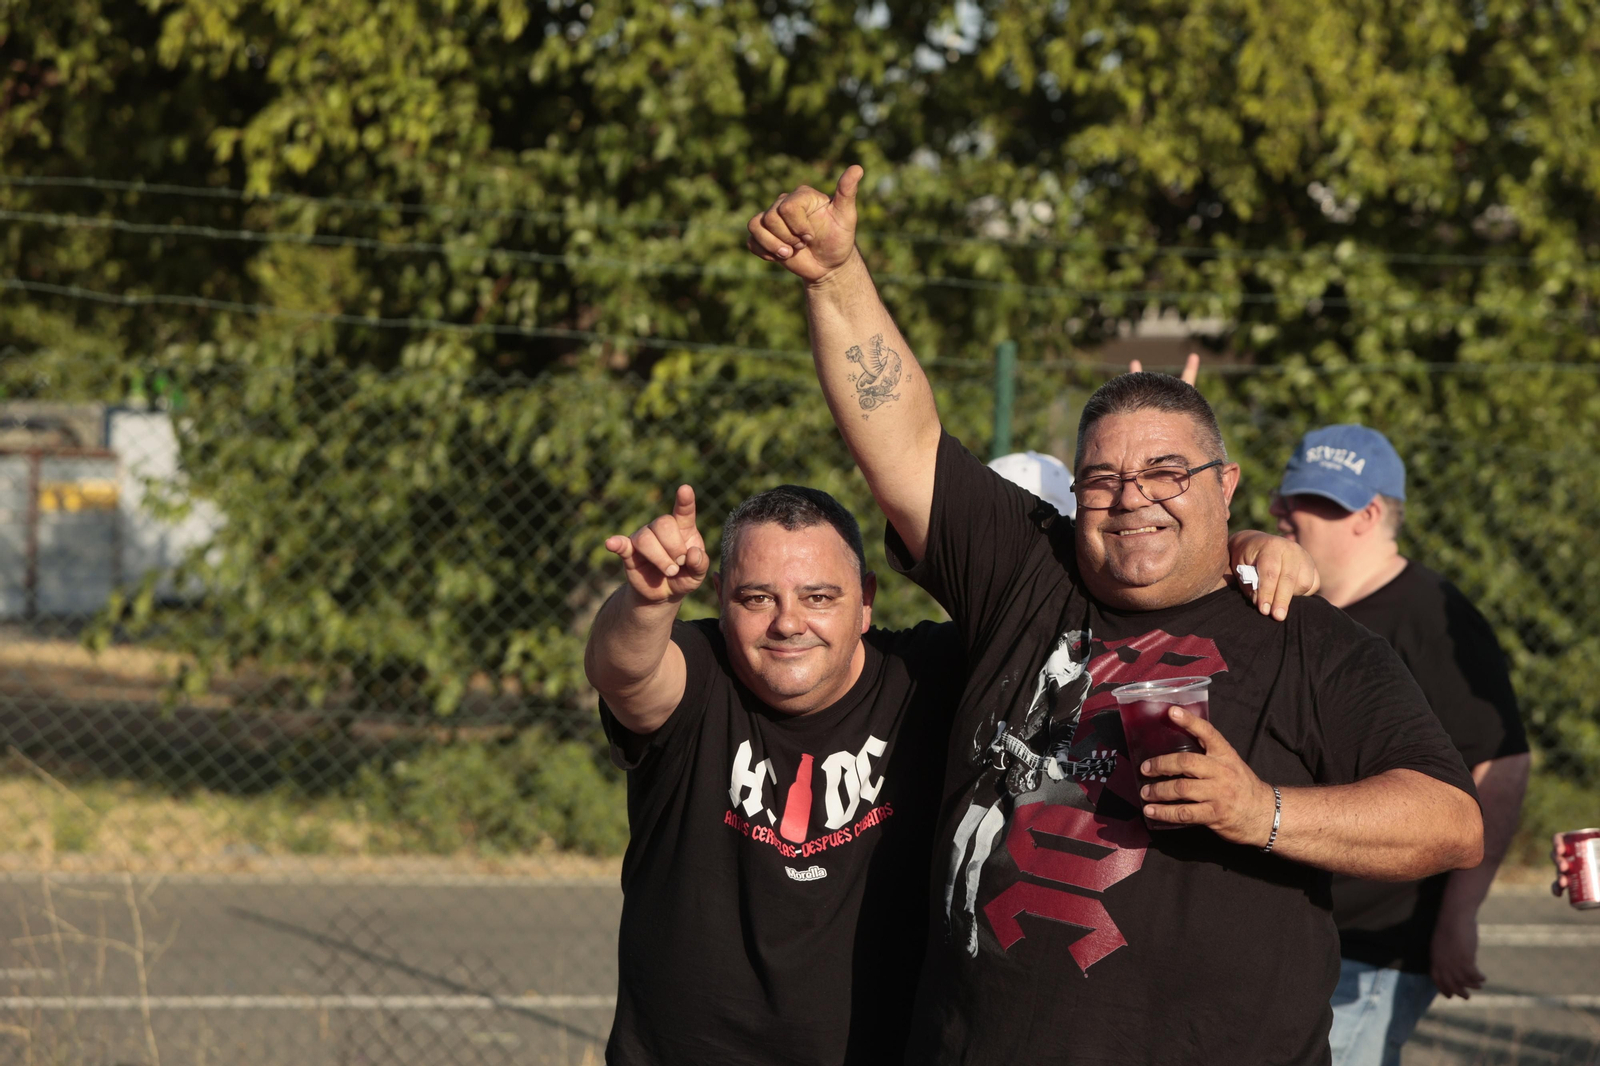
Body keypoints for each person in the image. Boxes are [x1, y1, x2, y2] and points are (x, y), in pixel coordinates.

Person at [746, 165, 1485, 1065]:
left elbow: (1450, 822)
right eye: (1102, 477)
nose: (1133, 497)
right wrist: (836, 276)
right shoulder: (1028, 574)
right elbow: (903, 440)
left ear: (1225, 486)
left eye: (1168, 473)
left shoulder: (1307, 639)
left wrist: (1262, 811)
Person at [584, 483, 962, 1065]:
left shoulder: (923, 677)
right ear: (720, 598)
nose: (788, 623)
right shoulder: (700, 670)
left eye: (818, 597)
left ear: (865, 602)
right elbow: (624, 673)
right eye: (758, 598)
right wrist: (646, 603)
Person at [1270, 425, 1530, 1065]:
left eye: (1312, 501)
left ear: (1368, 515)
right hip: (1292, 932)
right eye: (1287, 495)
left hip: (1374, 947)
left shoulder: (1431, 615)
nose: (1285, 511)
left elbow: (1500, 763)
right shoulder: (1292, 607)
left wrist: (1458, 916)